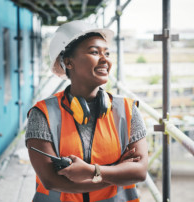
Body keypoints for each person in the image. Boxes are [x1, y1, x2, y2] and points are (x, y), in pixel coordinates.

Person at [26, 21, 148, 202]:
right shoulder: (42, 114)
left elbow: (139, 172)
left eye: (106, 53)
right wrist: (116, 171)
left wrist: (91, 171)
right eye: (94, 52)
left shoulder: (127, 111)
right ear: (69, 62)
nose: (105, 59)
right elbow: (51, 181)